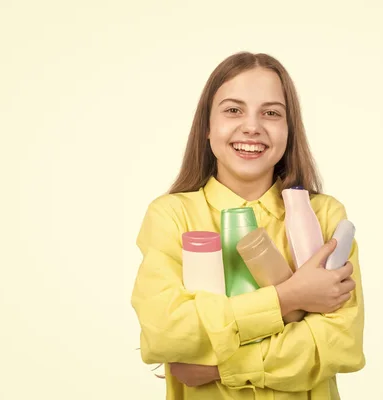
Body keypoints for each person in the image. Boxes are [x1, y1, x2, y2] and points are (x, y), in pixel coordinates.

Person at [130, 51, 365, 399]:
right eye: (233, 110)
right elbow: (166, 332)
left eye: (271, 113)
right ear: (207, 128)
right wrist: (290, 298)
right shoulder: (171, 216)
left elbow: (340, 345)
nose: (252, 126)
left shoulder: (325, 216)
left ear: (289, 130)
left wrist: (218, 364)